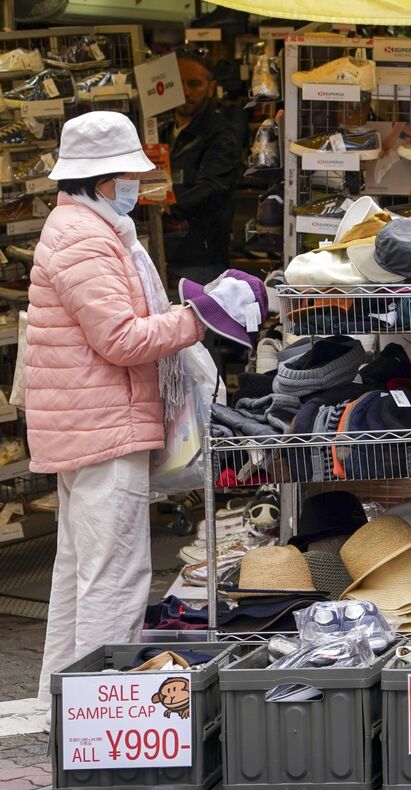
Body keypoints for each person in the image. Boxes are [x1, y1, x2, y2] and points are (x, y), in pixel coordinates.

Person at [27, 111, 206, 706]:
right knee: (115, 576)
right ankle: (99, 711)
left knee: (81, 573)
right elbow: (122, 339)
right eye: (129, 175)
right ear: (103, 181)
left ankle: (62, 706)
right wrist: (197, 320)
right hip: (103, 422)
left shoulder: (85, 229)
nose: (137, 185)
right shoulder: (86, 237)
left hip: (87, 422)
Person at [161, 51, 242, 286]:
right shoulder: (163, 133)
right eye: (177, 84)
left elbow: (212, 188)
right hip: (165, 250)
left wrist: (168, 206)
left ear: (210, 87)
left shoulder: (221, 136)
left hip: (202, 259)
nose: (185, 92)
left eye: (194, 84)